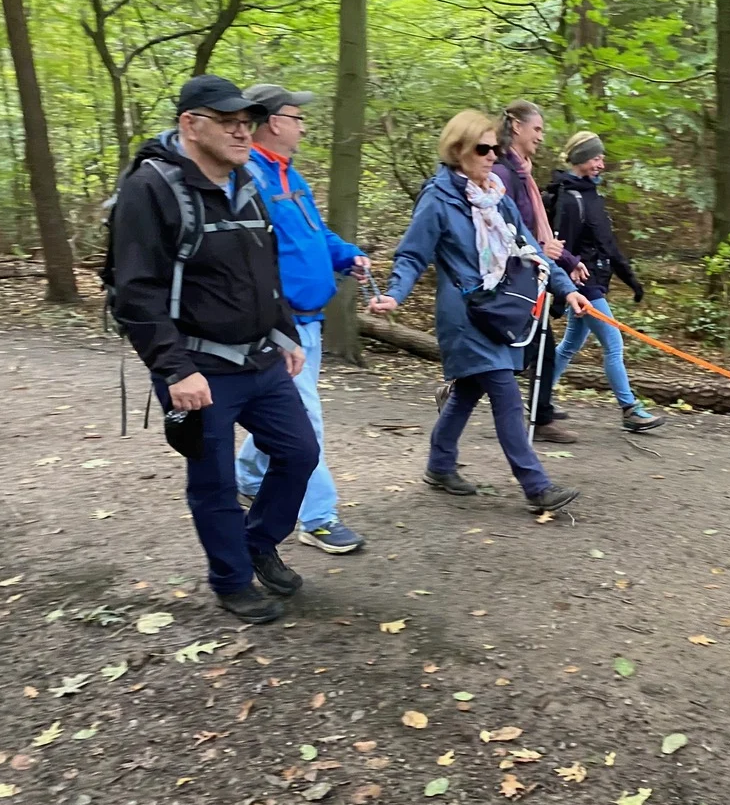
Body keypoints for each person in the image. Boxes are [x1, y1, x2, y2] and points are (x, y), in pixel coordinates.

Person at [111, 74, 318, 624]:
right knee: (215, 480)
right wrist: (175, 370)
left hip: (259, 356)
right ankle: (231, 581)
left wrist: (285, 331)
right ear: (190, 125)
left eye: (247, 123)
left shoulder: (245, 180)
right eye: (228, 123)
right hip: (196, 365)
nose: (242, 132)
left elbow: (261, 265)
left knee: (299, 452)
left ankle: (257, 542)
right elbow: (135, 291)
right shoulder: (151, 188)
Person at [367, 110, 590, 514]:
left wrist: (568, 289)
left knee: (469, 391)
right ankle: (536, 485)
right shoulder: (438, 199)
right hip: (465, 315)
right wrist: (395, 295)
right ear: (458, 151)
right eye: (483, 148)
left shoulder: (496, 198)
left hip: (499, 312)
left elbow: (532, 251)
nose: (492, 156)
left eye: (496, 148)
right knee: (504, 392)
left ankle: (438, 465)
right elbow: (413, 254)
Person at [233, 83, 368, 556]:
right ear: (273, 122)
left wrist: (346, 256)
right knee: (304, 420)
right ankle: (317, 517)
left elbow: (313, 233)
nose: (302, 124)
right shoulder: (247, 177)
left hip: (309, 323)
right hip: (279, 325)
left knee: (286, 415)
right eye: (296, 116)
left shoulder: (287, 174)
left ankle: (246, 475)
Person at [547, 131, 665, 432]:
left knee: (571, 343)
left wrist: (631, 280)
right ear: (582, 160)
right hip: (584, 285)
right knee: (614, 343)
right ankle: (629, 409)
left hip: (595, 281)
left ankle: (540, 396)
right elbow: (561, 247)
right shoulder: (571, 199)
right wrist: (565, 289)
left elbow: (608, 245)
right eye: (596, 158)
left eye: (602, 158)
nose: (601, 164)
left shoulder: (590, 194)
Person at [490, 100, 585, 444]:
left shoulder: (523, 173)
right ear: (516, 126)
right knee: (527, 347)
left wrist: (568, 261)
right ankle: (537, 417)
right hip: (513, 278)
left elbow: (534, 228)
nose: (541, 137)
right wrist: (538, 251)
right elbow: (501, 230)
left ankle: (541, 414)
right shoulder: (503, 174)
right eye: (537, 129)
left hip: (533, 274)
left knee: (539, 345)